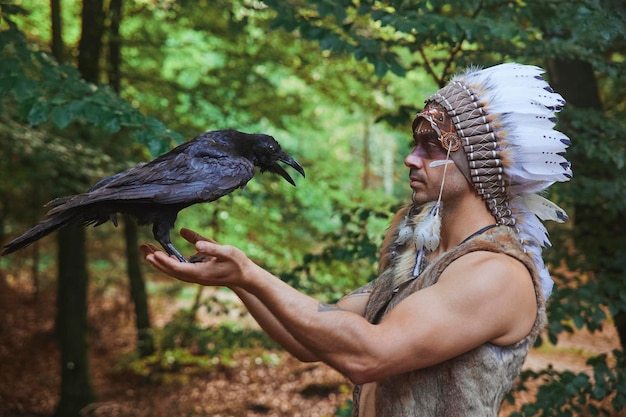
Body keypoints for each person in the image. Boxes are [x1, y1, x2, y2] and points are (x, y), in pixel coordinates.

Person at [141, 62, 572, 416]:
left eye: (432, 146)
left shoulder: (496, 273)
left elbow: (368, 355)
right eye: (414, 142)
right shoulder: (419, 257)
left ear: (477, 164)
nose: (410, 157)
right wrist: (238, 278)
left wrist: (251, 273)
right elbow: (310, 339)